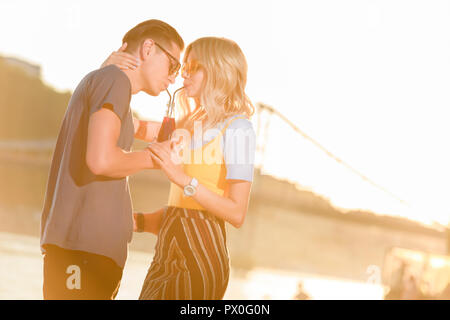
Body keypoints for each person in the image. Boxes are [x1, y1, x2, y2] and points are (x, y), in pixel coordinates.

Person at [40, 19, 184, 300]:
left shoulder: (108, 83)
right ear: (148, 48)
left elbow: (141, 129)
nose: (175, 78)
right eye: (173, 65)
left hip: (84, 253)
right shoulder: (113, 81)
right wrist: (157, 159)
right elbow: (101, 160)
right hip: (83, 253)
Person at [135, 37, 256, 300]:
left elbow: (236, 213)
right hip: (165, 253)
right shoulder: (192, 121)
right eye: (184, 66)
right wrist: (138, 222)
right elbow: (158, 133)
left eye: (194, 67)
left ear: (218, 71)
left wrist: (181, 178)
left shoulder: (238, 129)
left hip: (202, 257)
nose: (184, 74)